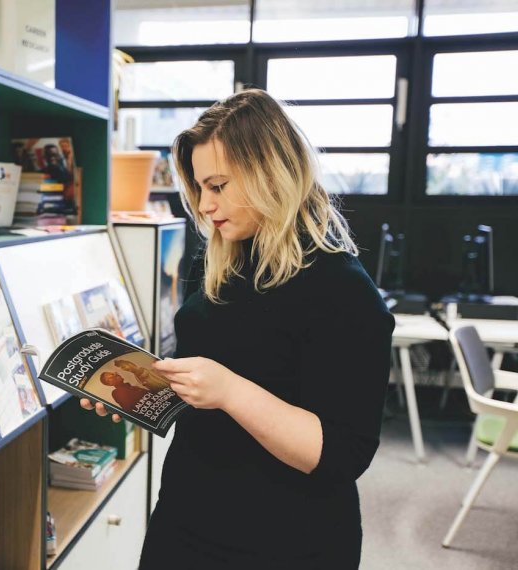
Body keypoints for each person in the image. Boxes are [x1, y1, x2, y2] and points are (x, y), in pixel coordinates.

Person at [81, 89, 394, 569]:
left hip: (284, 540)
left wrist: (229, 390)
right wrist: (134, 390)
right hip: (188, 517)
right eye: (200, 189)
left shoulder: (343, 291)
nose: (205, 205)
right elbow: (210, 385)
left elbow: (340, 454)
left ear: (271, 174)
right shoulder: (231, 263)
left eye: (218, 185)